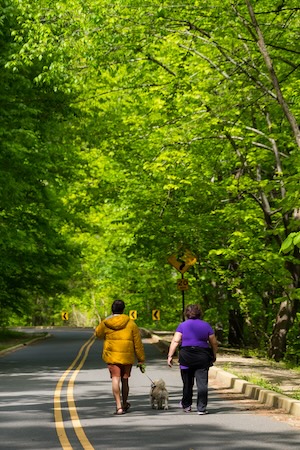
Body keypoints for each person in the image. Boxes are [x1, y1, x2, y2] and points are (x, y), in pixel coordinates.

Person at [95, 299, 145, 415]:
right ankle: (125, 402)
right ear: (123, 310)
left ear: (112, 310)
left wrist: (106, 320)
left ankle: (119, 407)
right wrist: (141, 359)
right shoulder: (131, 323)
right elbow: (138, 343)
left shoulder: (106, 322)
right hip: (127, 356)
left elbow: (97, 334)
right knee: (125, 380)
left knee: (115, 379)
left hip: (112, 356)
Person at [167, 304, 218, 415]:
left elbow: (176, 341)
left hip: (186, 356)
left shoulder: (182, 325)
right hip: (202, 356)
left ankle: (186, 405)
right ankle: (201, 408)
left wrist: (170, 356)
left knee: (187, 383)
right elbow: (213, 342)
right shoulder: (206, 325)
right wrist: (214, 355)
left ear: (186, 313)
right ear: (200, 313)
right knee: (202, 384)